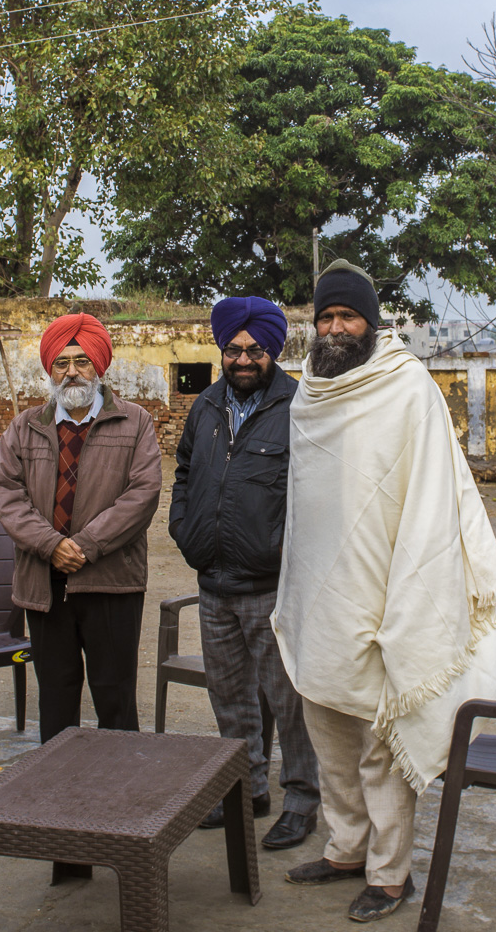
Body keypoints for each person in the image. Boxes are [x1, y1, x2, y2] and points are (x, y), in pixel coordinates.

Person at [273, 261, 496, 923]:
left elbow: (434, 495)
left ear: (371, 322)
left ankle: (389, 874)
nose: (333, 328)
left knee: (381, 745)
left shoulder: (406, 387)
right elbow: (307, 501)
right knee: (329, 732)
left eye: (346, 316)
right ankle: (346, 849)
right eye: (324, 317)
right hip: (321, 595)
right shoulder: (308, 393)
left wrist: (406, 594)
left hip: (387, 589)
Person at [171, 295, 319, 851]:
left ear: (273, 351)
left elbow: (314, 490)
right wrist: (184, 528)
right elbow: (185, 471)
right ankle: (246, 789)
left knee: (289, 701)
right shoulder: (206, 405)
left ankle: (302, 800)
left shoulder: (298, 405)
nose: (243, 359)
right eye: (233, 349)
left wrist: (279, 548)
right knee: (230, 698)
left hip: (272, 587)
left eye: (255, 350)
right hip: (214, 585)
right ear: (222, 350)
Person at [0, 312, 161, 737]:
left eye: (82, 361)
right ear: (50, 369)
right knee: (56, 692)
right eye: (61, 363)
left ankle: (121, 789)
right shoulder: (24, 426)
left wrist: (84, 545)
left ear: (100, 366)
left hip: (111, 581)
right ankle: (56, 791)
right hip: (44, 584)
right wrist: (51, 545)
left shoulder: (135, 421)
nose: (72, 372)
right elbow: (6, 492)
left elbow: (142, 494)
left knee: (115, 693)